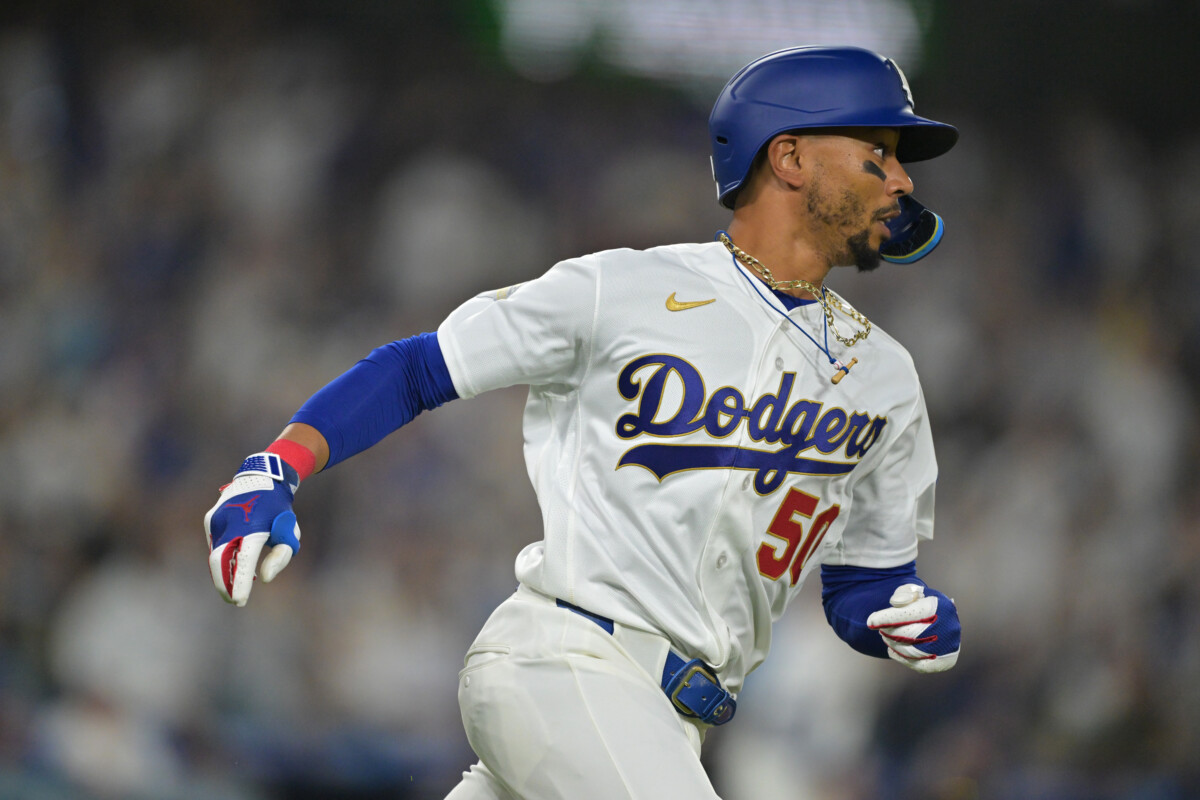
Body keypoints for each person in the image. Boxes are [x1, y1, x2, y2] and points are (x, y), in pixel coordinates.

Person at [204, 45, 963, 799]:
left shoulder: (886, 377)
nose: (901, 178)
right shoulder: (627, 289)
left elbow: (865, 582)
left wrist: (902, 619)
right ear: (790, 159)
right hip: (566, 664)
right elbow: (419, 368)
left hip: (668, 726)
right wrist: (274, 468)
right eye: (878, 151)